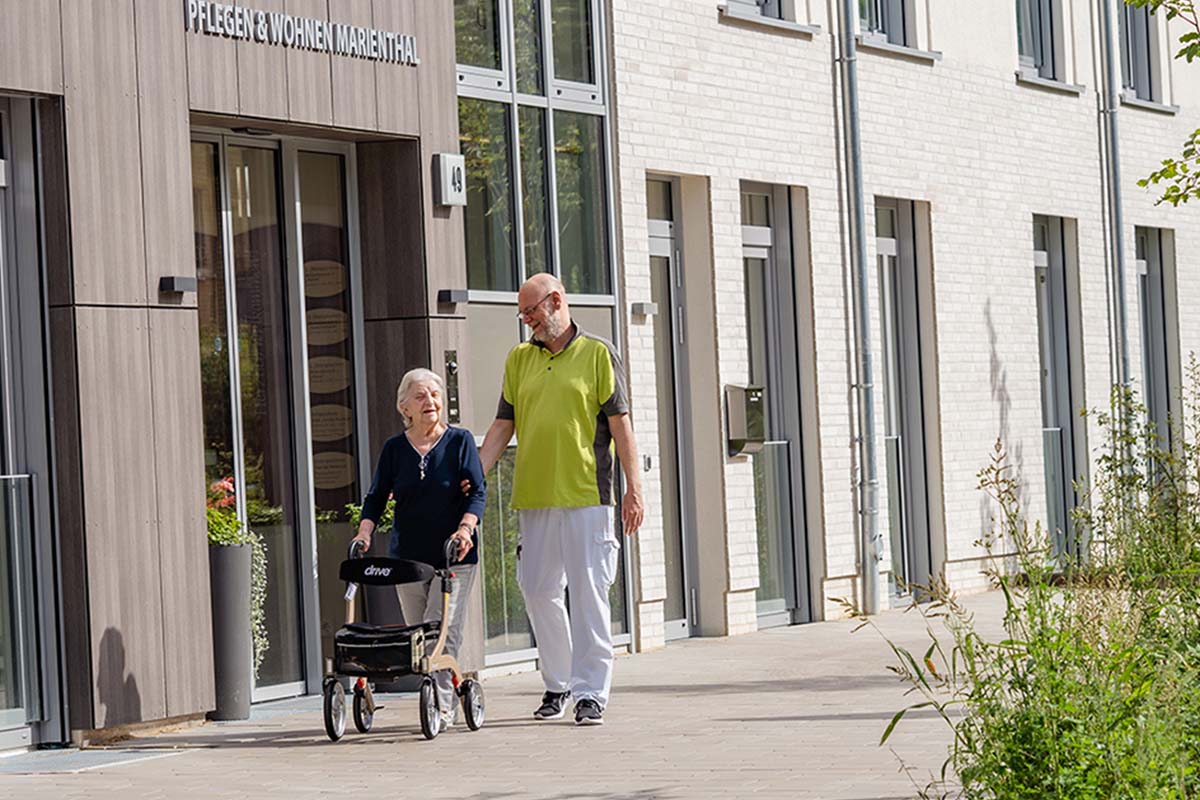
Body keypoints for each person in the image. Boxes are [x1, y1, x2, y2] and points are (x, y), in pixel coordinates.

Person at [478, 272, 644, 726]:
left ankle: (592, 692)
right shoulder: (518, 359)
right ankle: (560, 682)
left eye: (531, 311)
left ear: (555, 301)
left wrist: (635, 489)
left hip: (588, 494)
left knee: (589, 594)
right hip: (534, 494)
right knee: (536, 587)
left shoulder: (597, 353)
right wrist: (473, 476)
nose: (527, 320)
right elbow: (501, 427)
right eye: (523, 314)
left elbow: (621, 427)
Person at [352, 367, 486, 729]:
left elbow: (477, 492)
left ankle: (442, 708)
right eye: (421, 395)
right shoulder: (395, 449)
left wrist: (465, 528)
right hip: (407, 559)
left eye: (435, 394)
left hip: (453, 556)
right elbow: (377, 496)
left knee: (440, 632)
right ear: (404, 407)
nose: (431, 401)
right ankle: (440, 699)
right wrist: (364, 532)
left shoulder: (459, 442)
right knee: (419, 636)